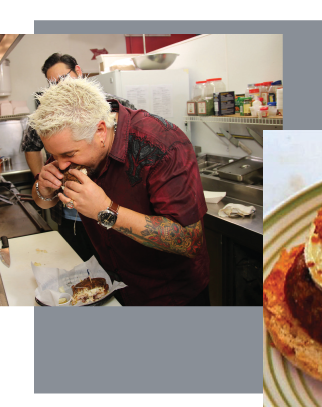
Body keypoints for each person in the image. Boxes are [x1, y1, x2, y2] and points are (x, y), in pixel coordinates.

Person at [29, 77, 210, 306]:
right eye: (54, 155)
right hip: (111, 288)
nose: (61, 164)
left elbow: (189, 240)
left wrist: (106, 211)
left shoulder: (163, 145)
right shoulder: (65, 142)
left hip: (170, 295)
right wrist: (42, 188)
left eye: (69, 155)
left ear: (101, 132)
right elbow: (44, 201)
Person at [21, 53, 135, 262]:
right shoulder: (48, 115)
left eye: (63, 79)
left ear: (78, 72)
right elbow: (30, 147)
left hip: (117, 211)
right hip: (72, 216)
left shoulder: (111, 105)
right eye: (52, 83)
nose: (59, 86)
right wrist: (43, 179)